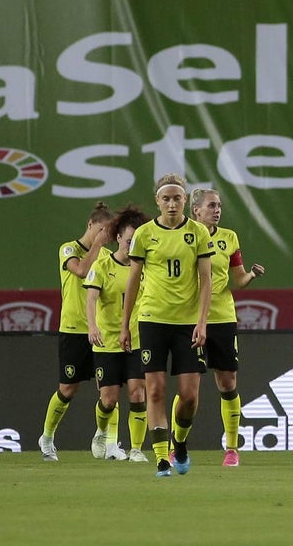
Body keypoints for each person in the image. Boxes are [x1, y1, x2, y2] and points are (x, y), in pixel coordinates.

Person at [121, 174, 214, 477]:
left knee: (189, 396)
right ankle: (162, 458)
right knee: (156, 390)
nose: (172, 204)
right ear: (157, 201)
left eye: (177, 198)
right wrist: (125, 324)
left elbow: (206, 280)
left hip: (187, 323)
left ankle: (180, 443)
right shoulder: (145, 234)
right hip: (152, 319)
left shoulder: (198, 233)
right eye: (166, 199)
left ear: (185, 201)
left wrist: (202, 322)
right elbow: (133, 282)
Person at [190, 188, 265, 468]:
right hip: (189, 318)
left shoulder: (229, 238)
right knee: (189, 389)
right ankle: (177, 447)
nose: (217, 210)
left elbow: (238, 279)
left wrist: (251, 276)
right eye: (211, 205)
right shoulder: (183, 237)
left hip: (222, 316)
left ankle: (232, 449)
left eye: (219, 205)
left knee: (228, 383)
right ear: (196, 210)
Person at [38, 203, 113, 461]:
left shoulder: (105, 257)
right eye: (102, 230)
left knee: (108, 390)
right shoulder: (68, 249)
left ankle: (104, 438)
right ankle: (47, 437)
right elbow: (81, 271)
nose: (105, 236)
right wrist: (98, 245)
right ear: (91, 225)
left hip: (101, 332)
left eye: (108, 233)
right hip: (72, 329)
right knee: (68, 389)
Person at [84, 205, 151, 462]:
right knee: (109, 400)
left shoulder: (145, 268)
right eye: (129, 240)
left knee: (137, 392)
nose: (132, 245)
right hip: (106, 341)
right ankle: (102, 431)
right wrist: (92, 326)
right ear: (119, 238)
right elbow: (90, 299)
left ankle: (136, 449)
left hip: (136, 339)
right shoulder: (102, 266)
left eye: (137, 241)